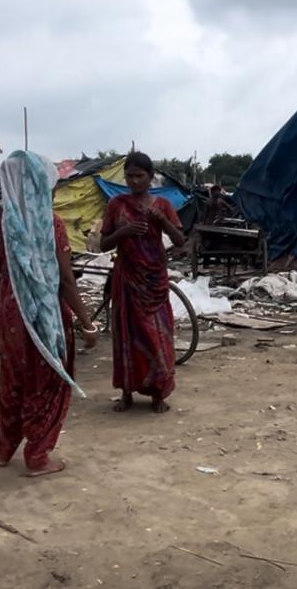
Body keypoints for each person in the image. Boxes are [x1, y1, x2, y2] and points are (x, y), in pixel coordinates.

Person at [0, 151, 97, 477]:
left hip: (10, 313)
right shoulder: (52, 225)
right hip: (46, 319)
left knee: (13, 380)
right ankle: (38, 456)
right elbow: (65, 280)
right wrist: (87, 324)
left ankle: (4, 450)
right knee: (46, 383)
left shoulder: (2, 223)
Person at [100, 152, 185, 413]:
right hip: (127, 278)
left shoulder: (163, 205)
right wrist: (123, 232)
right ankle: (126, 391)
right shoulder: (116, 205)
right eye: (130, 176)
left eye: (140, 176)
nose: (134, 181)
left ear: (151, 178)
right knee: (126, 333)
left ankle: (158, 393)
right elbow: (104, 243)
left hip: (154, 279)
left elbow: (180, 241)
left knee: (158, 334)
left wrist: (161, 220)